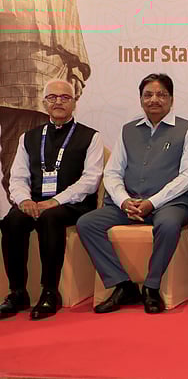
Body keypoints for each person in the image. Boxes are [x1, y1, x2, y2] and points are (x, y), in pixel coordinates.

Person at [76, 73, 188, 314]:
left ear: (171, 99)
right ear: (141, 99)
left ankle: (151, 287)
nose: (154, 99)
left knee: (168, 225)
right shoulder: (128, 130)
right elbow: (112, 172)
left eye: (161, 94)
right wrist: (123, 201)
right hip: (128, 204)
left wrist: (152, 203)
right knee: (87, 224)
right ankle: (123, 285)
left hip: (169, 205)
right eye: (148, 95)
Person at [0, 0, 91, 200]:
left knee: (50, 150)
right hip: (12, 73)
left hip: (52, 70)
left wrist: (75, 69)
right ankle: (20, 208)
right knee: (14, 153)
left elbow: (72, 27)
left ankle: (46, 210)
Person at [0, 79, 102, 319]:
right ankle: (17, 292)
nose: (58, 102)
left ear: (75, 102)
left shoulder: (91, 137)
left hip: (73, 205)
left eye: (65, 97)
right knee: (11, 220)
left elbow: (90, 180)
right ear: (44, 102)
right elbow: (18, 176)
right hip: (34, 203)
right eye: (53, 97)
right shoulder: (29, 137)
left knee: (51, 218)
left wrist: (56, 201)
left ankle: (49, 292)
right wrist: (24, 200)